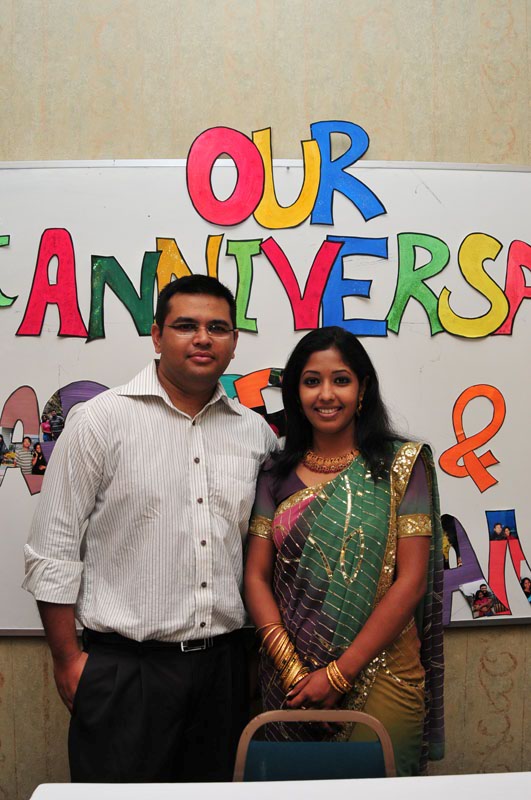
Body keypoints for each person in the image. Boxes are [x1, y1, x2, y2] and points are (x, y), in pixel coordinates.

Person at [23, 275, 277, 783]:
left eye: (217, 328)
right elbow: (52, 549)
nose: (202, 338)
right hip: (125, 672)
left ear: (233, 343)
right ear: (157, 336)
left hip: (224, 672)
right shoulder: (99, 421)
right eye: (186, 326)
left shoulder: (255, 434)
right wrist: (69, 661)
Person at [244, 326, 444, 777]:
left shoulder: (400, 466)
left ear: (363, 388)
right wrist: (294, 672)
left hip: (383, 673)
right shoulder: (275, 473)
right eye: (311, 381)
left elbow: (411, 582)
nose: (326, 394)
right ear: (295, 393)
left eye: (341, 380)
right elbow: (255, 577)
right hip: (290, 679)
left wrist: (339, 675)